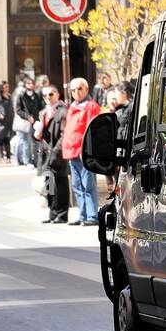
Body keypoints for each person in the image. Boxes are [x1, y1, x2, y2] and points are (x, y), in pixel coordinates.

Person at [61, 77, 101, 226]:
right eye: (73, 90)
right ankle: (83, 215)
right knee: (77, 186)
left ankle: (92, 216)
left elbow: (91, 130)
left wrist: (85, 149)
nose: (76, 92)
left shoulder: (91, 106)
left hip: (83, 152)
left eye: (79, 89)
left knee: (88, 184)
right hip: (71, 152)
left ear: (86, 90)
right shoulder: (72, 107)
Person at [35, 85, 70, 223]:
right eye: (44, 95)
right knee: (49, 184)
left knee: (60, 184)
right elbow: (42, 133)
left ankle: (62, 214)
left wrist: (56, 152)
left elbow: (63, 135)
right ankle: (52, 212)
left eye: (50, 94)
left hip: (57, 153)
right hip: (45, 153)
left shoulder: (63, 111)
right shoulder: (43, 112)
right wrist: (37, 134)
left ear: (57, 95)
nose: (48, 97)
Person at [11, 76, 42, 166]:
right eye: (28, 83)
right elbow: (18, 110)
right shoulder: (21, 95)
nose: (31, 85)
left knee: (36, 142)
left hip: (35, 122)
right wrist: (27, 117)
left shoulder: (36, 95)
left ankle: (36, 161)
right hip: (25, 122)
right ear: (25, 84)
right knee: (26, 142)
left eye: (32, 83)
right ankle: (27, 161)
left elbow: (40, 107)